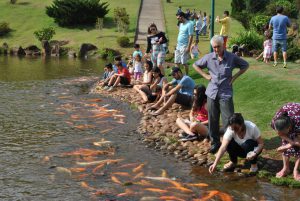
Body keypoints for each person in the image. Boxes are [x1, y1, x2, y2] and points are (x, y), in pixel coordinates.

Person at [193, 35, 249, 154]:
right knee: (212, 119)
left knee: (228, 120)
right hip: (211, 93)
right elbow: (195, 65)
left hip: (225, 93)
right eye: (214, 47)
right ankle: (215, 143)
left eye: (218, 47)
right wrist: (205, 75)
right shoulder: (208, 58)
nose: (216, 49)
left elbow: (245, 65)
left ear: (223, 45)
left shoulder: (232, 58)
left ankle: (229, 143)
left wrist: (234, 77)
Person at [271, 102, 300, 181]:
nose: (279, 134)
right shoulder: (275, 122)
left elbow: (298, 140)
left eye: (283, 132)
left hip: (297, 115)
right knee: (285, 142)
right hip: (288, 114)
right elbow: (280, 133)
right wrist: (288, 144)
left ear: (289, 127)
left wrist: (292, 144)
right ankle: (286, 168)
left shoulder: (298, 123)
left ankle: (296, 170)